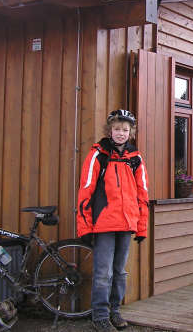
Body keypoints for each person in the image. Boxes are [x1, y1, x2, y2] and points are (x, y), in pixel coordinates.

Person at [77, 109, 149, 332]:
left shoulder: (135, 158)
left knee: (119, 272)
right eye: (117, 129)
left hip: (126, 224)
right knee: (103, 273)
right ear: (110, 130)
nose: (121, 133)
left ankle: (115, 312)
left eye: (125, 130)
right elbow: (85, 192)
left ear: (131, 133)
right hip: (104, 224)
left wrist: (141, 226)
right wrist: (85, 227)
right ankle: (100, 315)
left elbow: (142, 194)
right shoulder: (98, 155)